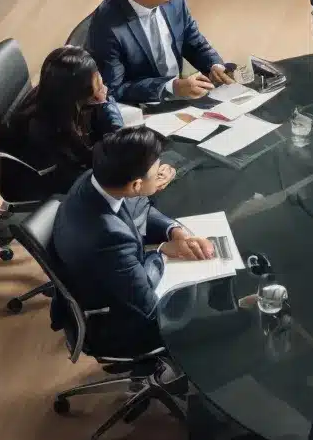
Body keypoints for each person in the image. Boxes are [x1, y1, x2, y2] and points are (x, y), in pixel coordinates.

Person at [48, 126, 216, 358]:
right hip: (117, 321)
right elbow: (147, 307)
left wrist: (175, 232)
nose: (160, 175)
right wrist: (161, 253)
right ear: (136, 185)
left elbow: (139, 208)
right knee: (220, 320)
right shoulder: (109, 237)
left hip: (102, 282)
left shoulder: (96, 178)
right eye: (156, 173)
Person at [86, 0, 233, 105]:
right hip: (141, 105)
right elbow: (114, 89)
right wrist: (170, 87)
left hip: (180, 94)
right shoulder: (106, 28)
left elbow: (194, 42)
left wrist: (213, 64)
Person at [0, 46, 123, 203]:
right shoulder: (44, 130)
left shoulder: (57, 99)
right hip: (50, 183)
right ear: (76, 92)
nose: (101, 86)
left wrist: (104, 104)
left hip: (68, 168)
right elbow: (83, 168)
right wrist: (106, 106)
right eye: (95, 82)